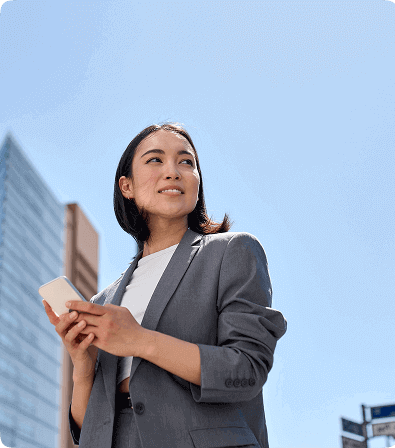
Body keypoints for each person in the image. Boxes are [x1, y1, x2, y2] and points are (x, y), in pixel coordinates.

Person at [43, 122, 288, 448]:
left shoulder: (232, 252)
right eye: (155, 160)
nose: (173, 171)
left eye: (186, 162)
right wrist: (84, 365)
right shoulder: (103, 300)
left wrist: (140, 341)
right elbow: (87, 429)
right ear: (126, 186)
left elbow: (247, 369)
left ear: (197, 183)